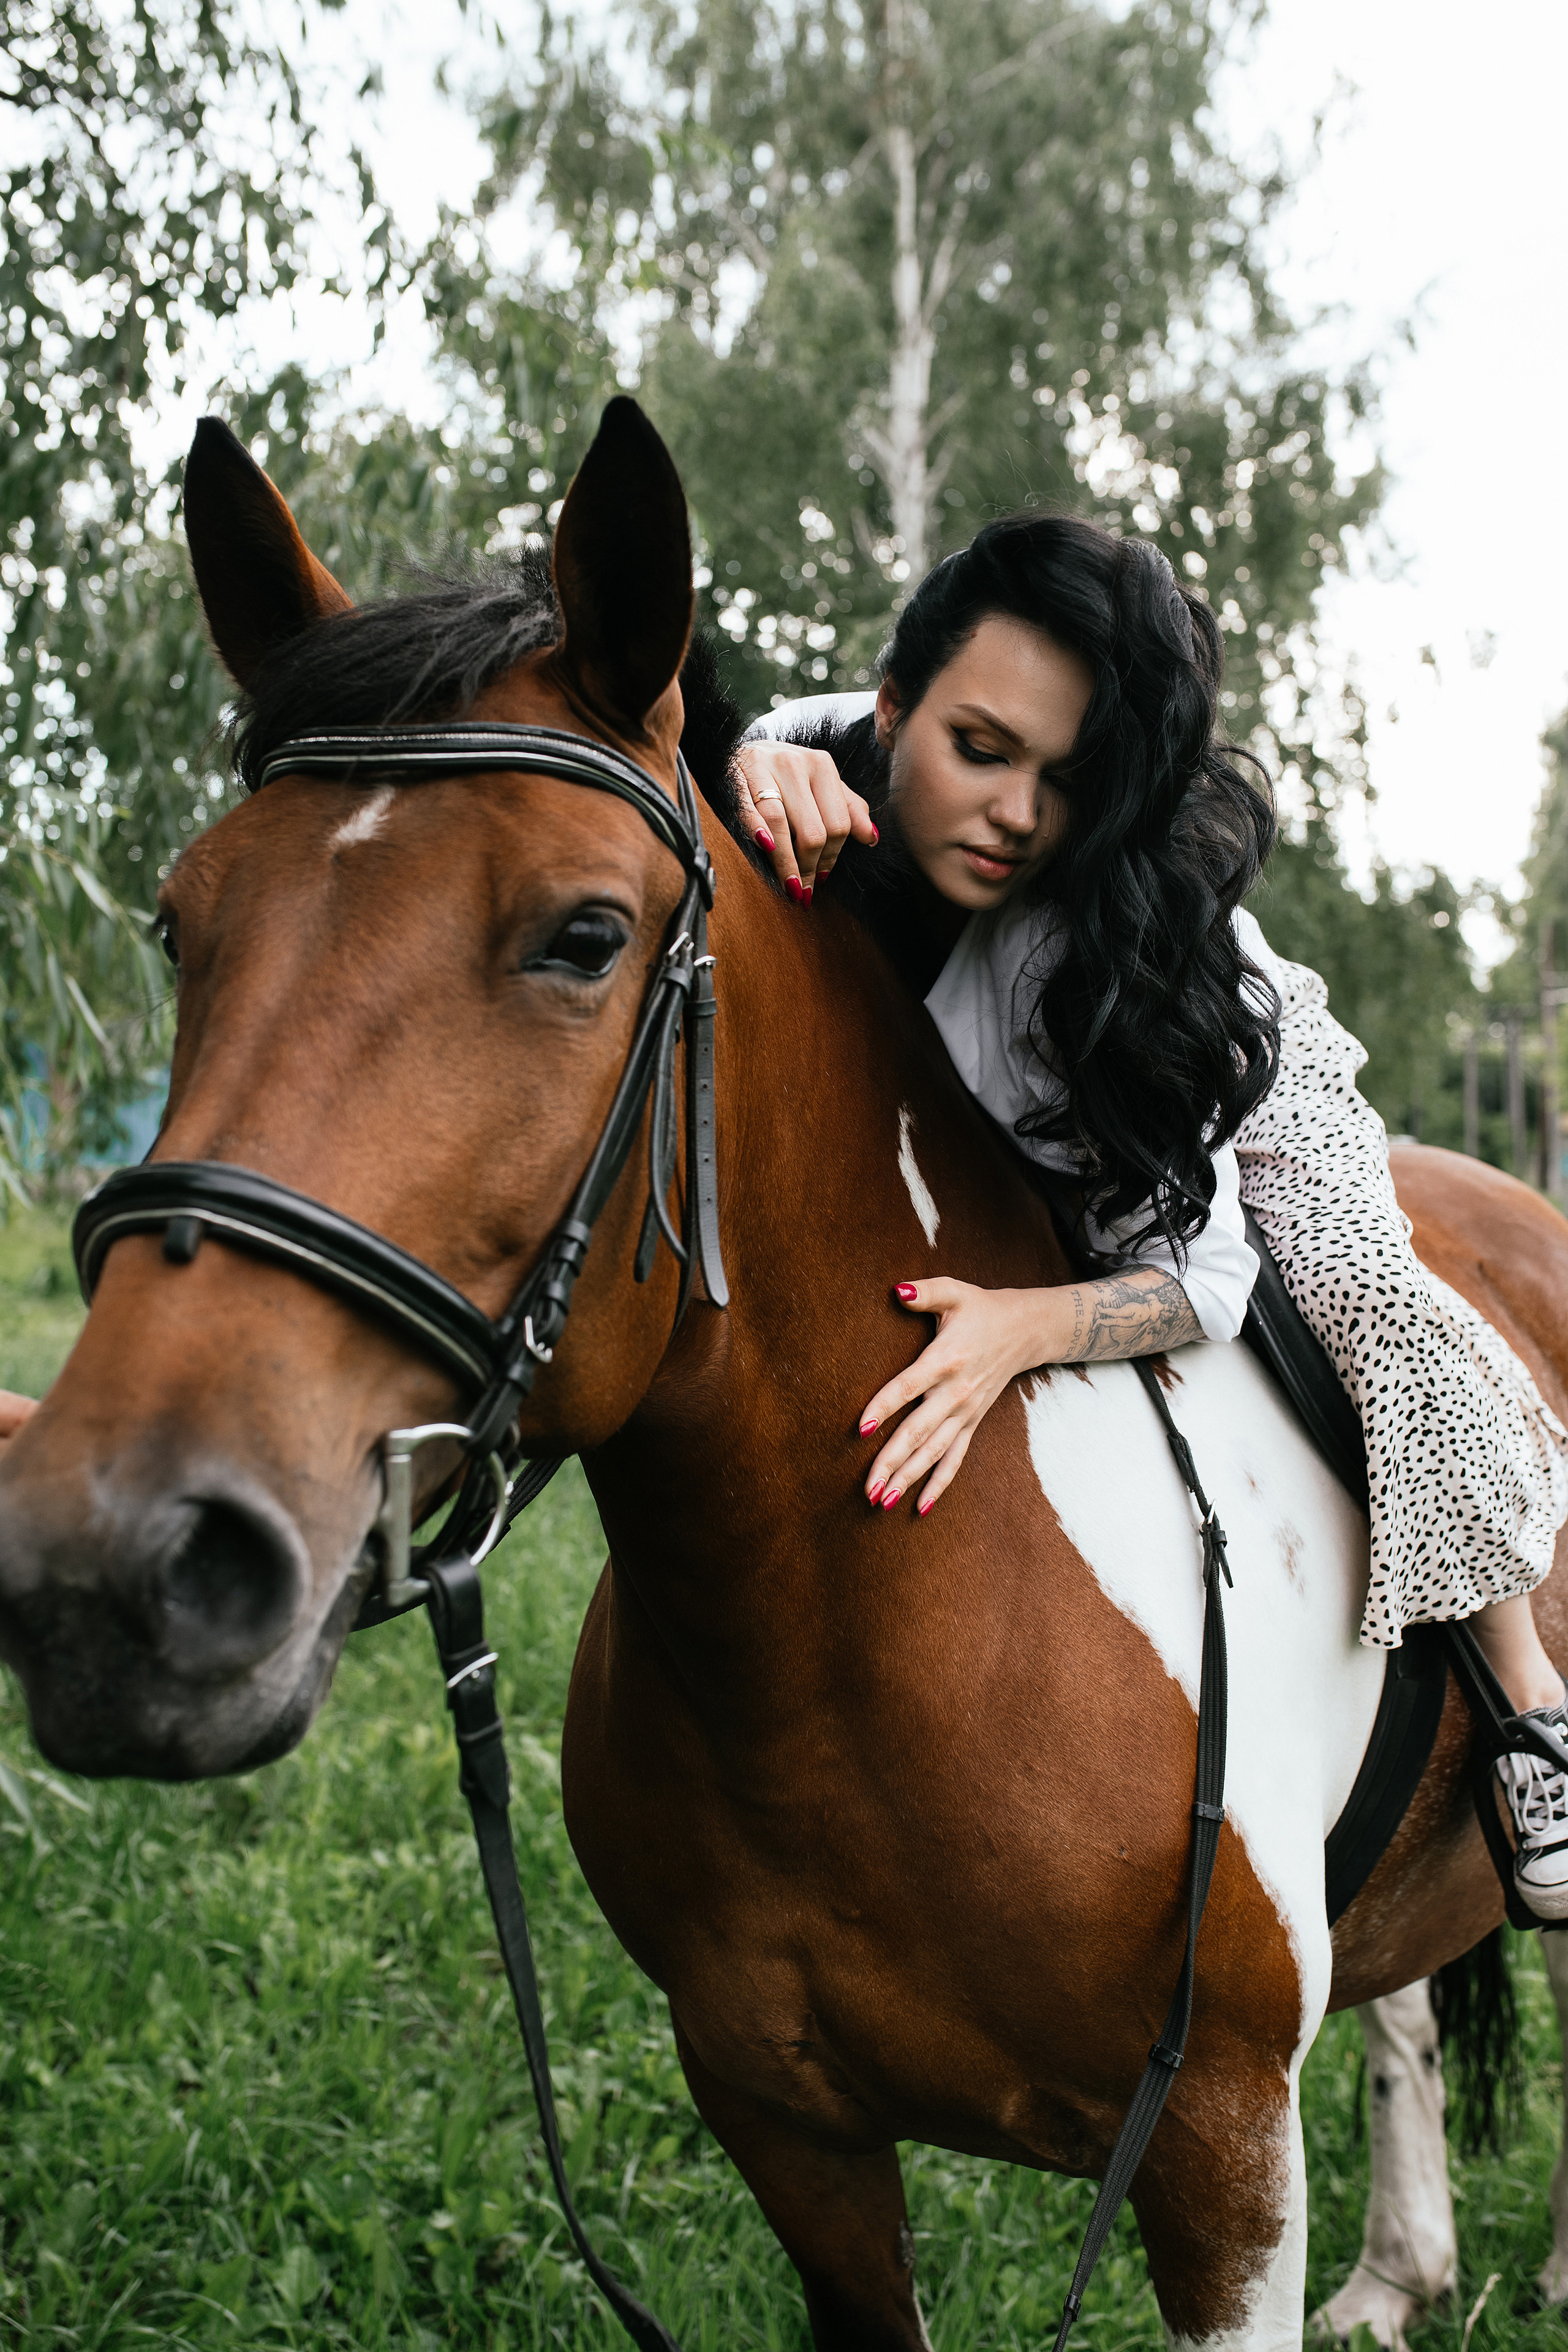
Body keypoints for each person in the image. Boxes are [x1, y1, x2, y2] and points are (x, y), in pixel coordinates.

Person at [730, 512, 1568, 1917]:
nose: (1013, 814)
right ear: (890, 713)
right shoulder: (820, 748)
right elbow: (756, 738)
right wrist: (753, 763)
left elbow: (1207, 1275)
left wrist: (1022, 1327)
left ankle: (1529, 1704)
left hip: (1193, 1052)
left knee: (1366, 1302)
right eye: (978, 750)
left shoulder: (1090, 949)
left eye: (1069, 778)